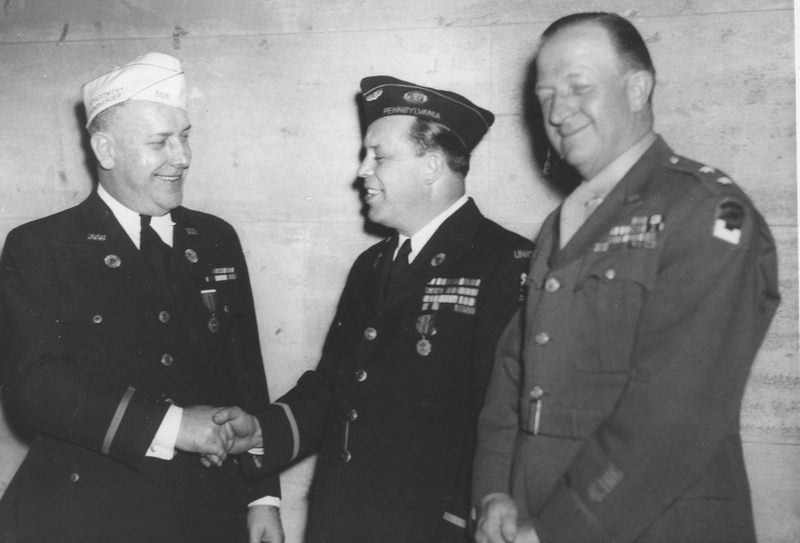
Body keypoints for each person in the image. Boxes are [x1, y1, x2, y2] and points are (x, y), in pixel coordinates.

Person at [472, 12, 780, 543]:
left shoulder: (704, 210)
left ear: (638, 89)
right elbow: (516, 369)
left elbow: (676, 412)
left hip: (648, 524)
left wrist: (561, 528)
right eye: (545, 94)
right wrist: (495, 489)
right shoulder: (565, 222)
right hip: (533, 515)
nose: (559, 111)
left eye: (578, 87)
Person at [212, 76, 534, 543]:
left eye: (379, 156)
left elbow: (502, 417)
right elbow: (336, 388)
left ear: (432, 165)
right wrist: (262, 430)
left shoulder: (505, 262)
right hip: (344, 522)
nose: (362, 171)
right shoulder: (372, 264)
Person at [0, 52, 283, 543]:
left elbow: (245, 373)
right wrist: (176, 427)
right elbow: (36, 389)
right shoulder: (41, 247)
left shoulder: (215, 238)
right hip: (86, 516)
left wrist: (261, 497)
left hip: (205, 512)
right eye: (160, 142)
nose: (183, 157)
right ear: (106, 150)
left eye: (186, 136)